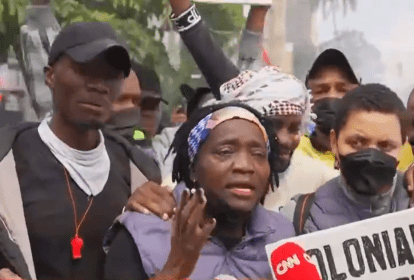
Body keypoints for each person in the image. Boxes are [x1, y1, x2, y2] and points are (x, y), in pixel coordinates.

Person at [0, 22, 161, 279]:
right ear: (50, 76)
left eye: (111, 75)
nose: (99, 85)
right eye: (85, 70)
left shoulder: (140, 173)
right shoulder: (8, 159)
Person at [104, 103, 295, 280]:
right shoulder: (141, 234)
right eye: (226, 151)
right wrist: (175, 269)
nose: (245, 166)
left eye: (258, 154)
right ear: (193, 168)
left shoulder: (282, 235)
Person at [296, 84, 409, 234]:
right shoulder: (303, 215)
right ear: (334, 142)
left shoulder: (410, 201)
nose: (371, 158)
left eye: (386, 145)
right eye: (357, 143)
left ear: (402, 146)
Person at [296, 49, 360, 169]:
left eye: (342, 89)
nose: (332, 96)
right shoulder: (294, 153)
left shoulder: (378, 150)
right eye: (321, 90)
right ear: (307, 97)